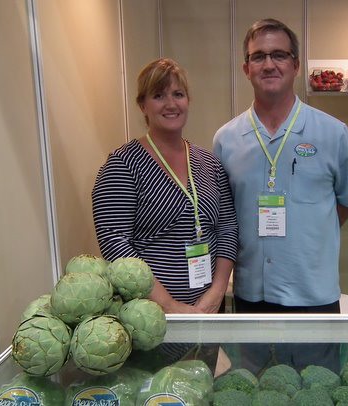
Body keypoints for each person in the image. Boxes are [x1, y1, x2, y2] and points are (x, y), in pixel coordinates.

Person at [213, 18, 348, 371]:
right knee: (257, 385)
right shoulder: (226, 139)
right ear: (246, 68)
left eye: (279, 55)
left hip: (313, 292)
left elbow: (347, 201)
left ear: (295, 65)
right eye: (259, 56)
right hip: (251, 293)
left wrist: (309, 236)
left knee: (317, 386)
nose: (269, 64)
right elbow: (225, 216)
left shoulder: (332, 133)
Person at [92, 58, 238, 315]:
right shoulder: (123, 165)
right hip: (148, 315)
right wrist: (168, 305)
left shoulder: (209, 163)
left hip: (210, 308)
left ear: (188, 101)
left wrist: (217, 292)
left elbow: (227, 227)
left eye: (178, 94)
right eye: (158, 96)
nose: (171, 104)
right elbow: (114, 241)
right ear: (142, 105)